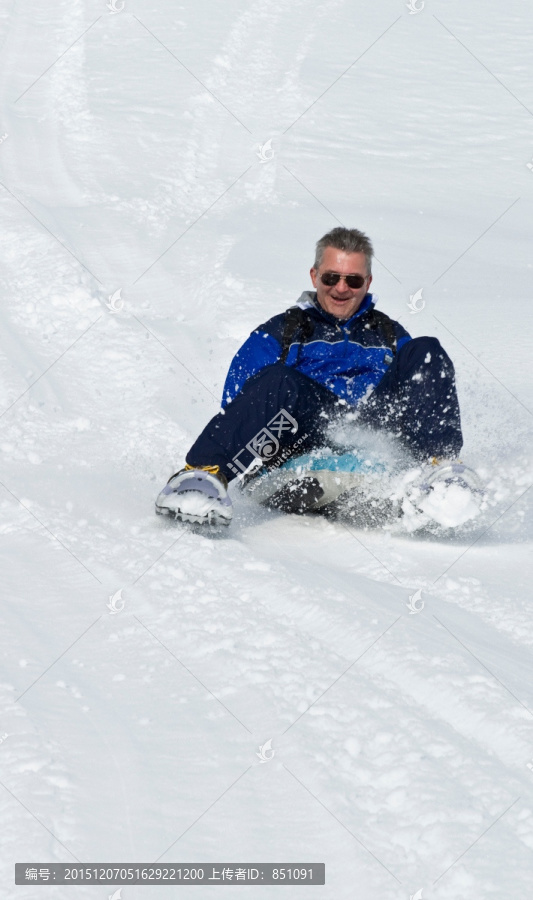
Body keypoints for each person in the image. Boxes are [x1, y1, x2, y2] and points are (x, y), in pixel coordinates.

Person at [155, 227, 463, 525]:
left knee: (425, 350)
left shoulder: (389, 334)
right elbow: (239, 402)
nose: (341, 288)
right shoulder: (282, 331)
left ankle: (441, 471)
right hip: (301, 437)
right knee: (278, 379)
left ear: (367, 282)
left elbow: (422, 387)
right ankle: (202, 478)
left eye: (353, 280)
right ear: (315, 276)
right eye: (331, 277)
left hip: (374, 431)